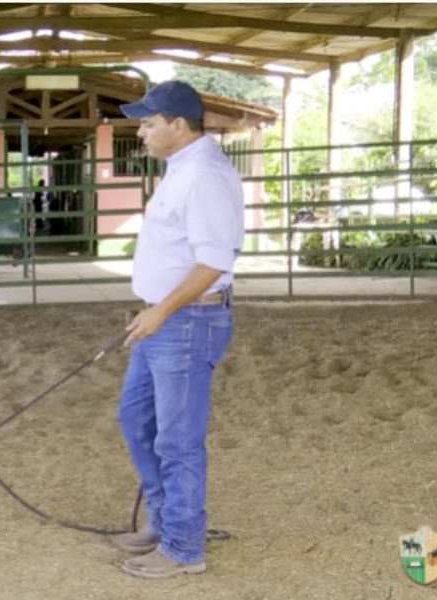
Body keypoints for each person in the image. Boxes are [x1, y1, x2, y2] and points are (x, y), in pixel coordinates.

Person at [102, 81, 244, 579]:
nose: (140, 131)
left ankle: (184, 547)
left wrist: (160, 311)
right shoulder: (183, 170)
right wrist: (153, 309)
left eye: (148, 122)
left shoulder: (204, 175)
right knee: (137, 418)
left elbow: (213, 261)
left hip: (185, 321)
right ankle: (165, 522)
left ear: (178, 126)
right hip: (165, 319)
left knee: (178, 439)